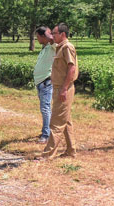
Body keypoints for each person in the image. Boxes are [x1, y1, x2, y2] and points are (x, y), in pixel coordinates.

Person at [42, 23, 79, 159]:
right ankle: (71, 151)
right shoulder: (60, 48)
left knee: (56, 122)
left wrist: (64, 89)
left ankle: (47, 155)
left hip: (64, 88)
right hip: (59, 87)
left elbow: (72, 69)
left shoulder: (67, 47)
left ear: (62, 34)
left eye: (54, 33)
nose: (52, 36)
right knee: (66, 121)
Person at [33, 26, 57, 144]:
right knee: (45, 108)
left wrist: (49, 35)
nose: (37, 39)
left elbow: (53, 41)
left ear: (43, 36)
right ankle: (47, 130)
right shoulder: (46, 47)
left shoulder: (53, 46)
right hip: (40, 82)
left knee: (45, 108)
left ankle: (46, 135)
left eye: (38, 36)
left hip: (46, 82)